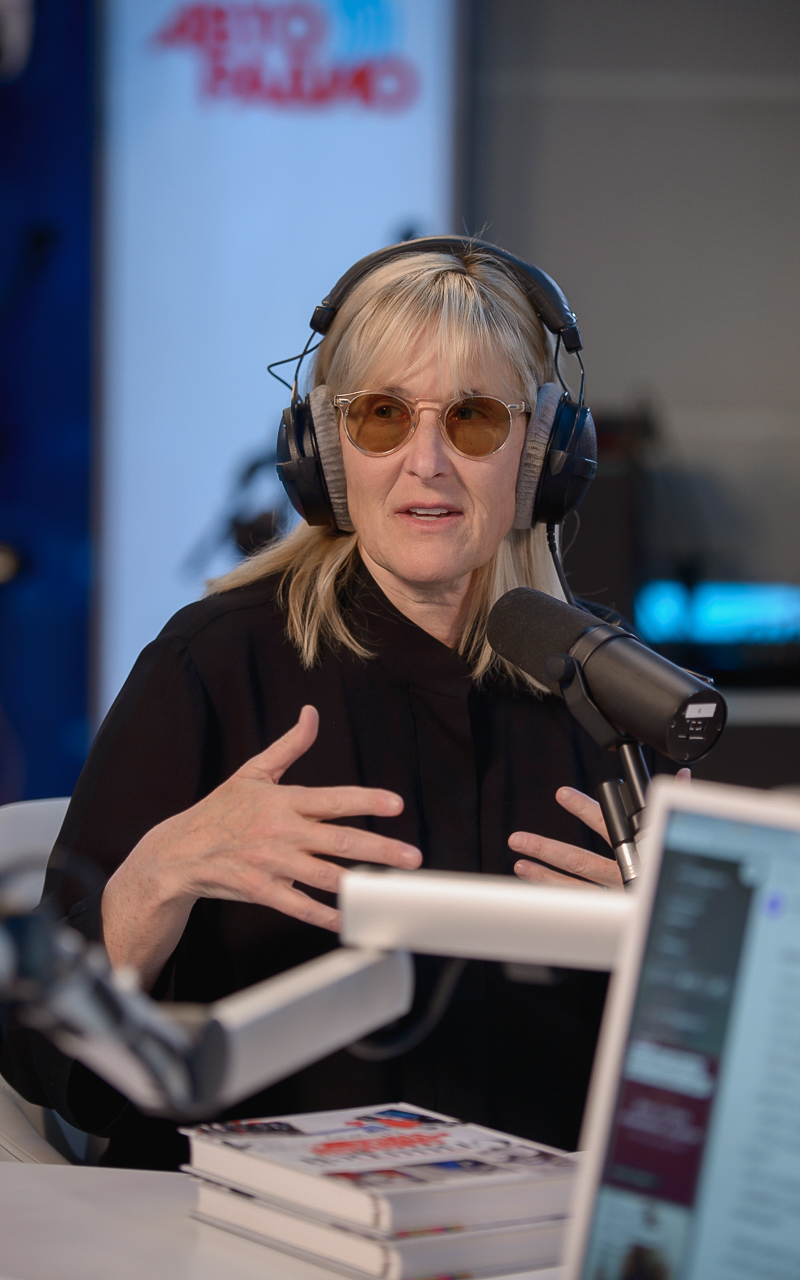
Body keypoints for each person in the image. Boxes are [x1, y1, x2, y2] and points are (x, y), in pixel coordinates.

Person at [2, 242, 647, 1170]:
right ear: (327, 448)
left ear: (542, 453)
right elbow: (38, 1054)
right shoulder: (211, 664)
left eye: (472, 419)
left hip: (529, 1226)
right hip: (233, 1226)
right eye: (383, 416)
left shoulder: (614, 699)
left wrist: (672, 975)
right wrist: (157, 877)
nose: (426, 463)